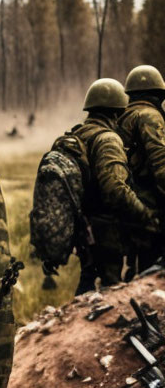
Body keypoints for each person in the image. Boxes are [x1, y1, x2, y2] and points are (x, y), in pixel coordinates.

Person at [72, 79, 158, 293]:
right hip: (105, 227)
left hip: (83, 223)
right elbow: (115, 189)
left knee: (88, 281)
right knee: (111, 292)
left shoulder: (78, 134)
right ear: (116, 112)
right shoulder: (108, 139)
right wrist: (146, 215)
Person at [118, 65, 165, 270]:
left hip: (129, 203)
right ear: (157, 94)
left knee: (135, 267)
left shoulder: (123, 117)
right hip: (149, 202)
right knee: (151, 267)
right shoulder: (149, 116)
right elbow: (161, 163)